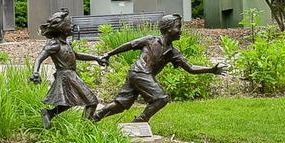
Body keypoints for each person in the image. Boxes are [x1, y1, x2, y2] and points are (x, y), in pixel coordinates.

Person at [91, 13, 225, 125]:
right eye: (178, 27)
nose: (181, 31)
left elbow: (190, 68)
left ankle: (94, 118)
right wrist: (108, 54)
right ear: (168, 29)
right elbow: (129, 45)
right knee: (161, 98)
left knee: (121, 104)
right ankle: (140, 122)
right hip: (140, 72)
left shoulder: (173, 52)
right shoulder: (150, 40)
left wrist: (211, 69)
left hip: (138, 74)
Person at [29, 9, 105, 127]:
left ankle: (49, 113)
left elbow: (77, 55)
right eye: (69, 24)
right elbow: (40, 57)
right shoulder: (54, 44)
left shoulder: (65, 43)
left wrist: (96, 58)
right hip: (67, 76)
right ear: (61, 28)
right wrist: (35, 72)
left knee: (68, 102)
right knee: (92, 101)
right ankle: (85, 128)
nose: (72, 26)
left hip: (70, 75)